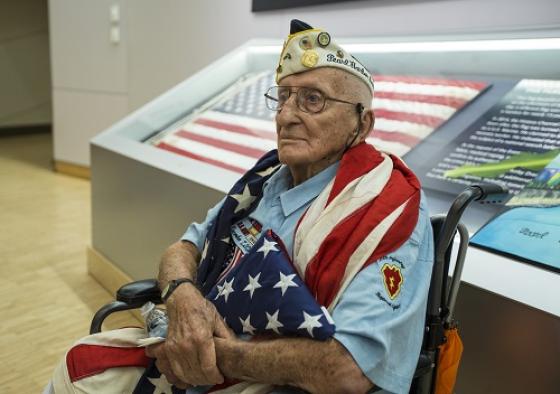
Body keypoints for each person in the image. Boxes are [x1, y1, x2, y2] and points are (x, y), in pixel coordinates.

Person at [46, 19, 433, 394]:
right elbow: (183, 248)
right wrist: (182, 297)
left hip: (276, 381)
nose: (286, 115)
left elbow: (348, 371)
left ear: (361, 125)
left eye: (312, 99)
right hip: (202, 355)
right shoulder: (265, 179)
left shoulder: (388, 210)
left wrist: (214, 355)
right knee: (77, 368)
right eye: (283, 96)